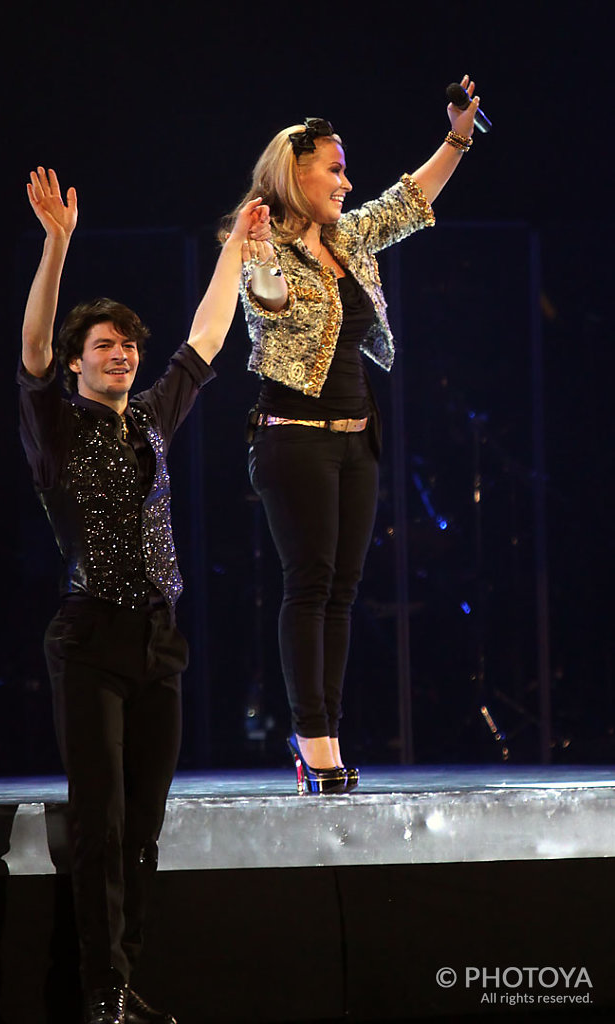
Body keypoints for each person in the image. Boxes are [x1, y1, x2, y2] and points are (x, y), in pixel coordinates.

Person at [18, 166, 266, 1024]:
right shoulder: (54, 426)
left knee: (145, 828)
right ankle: (98, 994)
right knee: (100, 826)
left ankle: (125, 984)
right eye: (105, 348)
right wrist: (56, 248)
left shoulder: (152, 419)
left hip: (161, 641)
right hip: (90, 638)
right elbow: (34, 350)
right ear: (81, 366)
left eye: (126, 345)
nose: (120, 355)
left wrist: (235, 247)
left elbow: (204, 336)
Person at [225, 76, 481, 794]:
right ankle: (312, 742)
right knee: (308, 585)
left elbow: (412, 198)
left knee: (341, 590)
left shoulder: (349, 235)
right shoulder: (259, 241)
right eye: (333, 168)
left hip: (354, 437)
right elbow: (268, 300)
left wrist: (457, 132)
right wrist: (264, 256)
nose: (346, 180)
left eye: (344, 168)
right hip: (292, 437)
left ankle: (325, 735)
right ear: (293, 174)